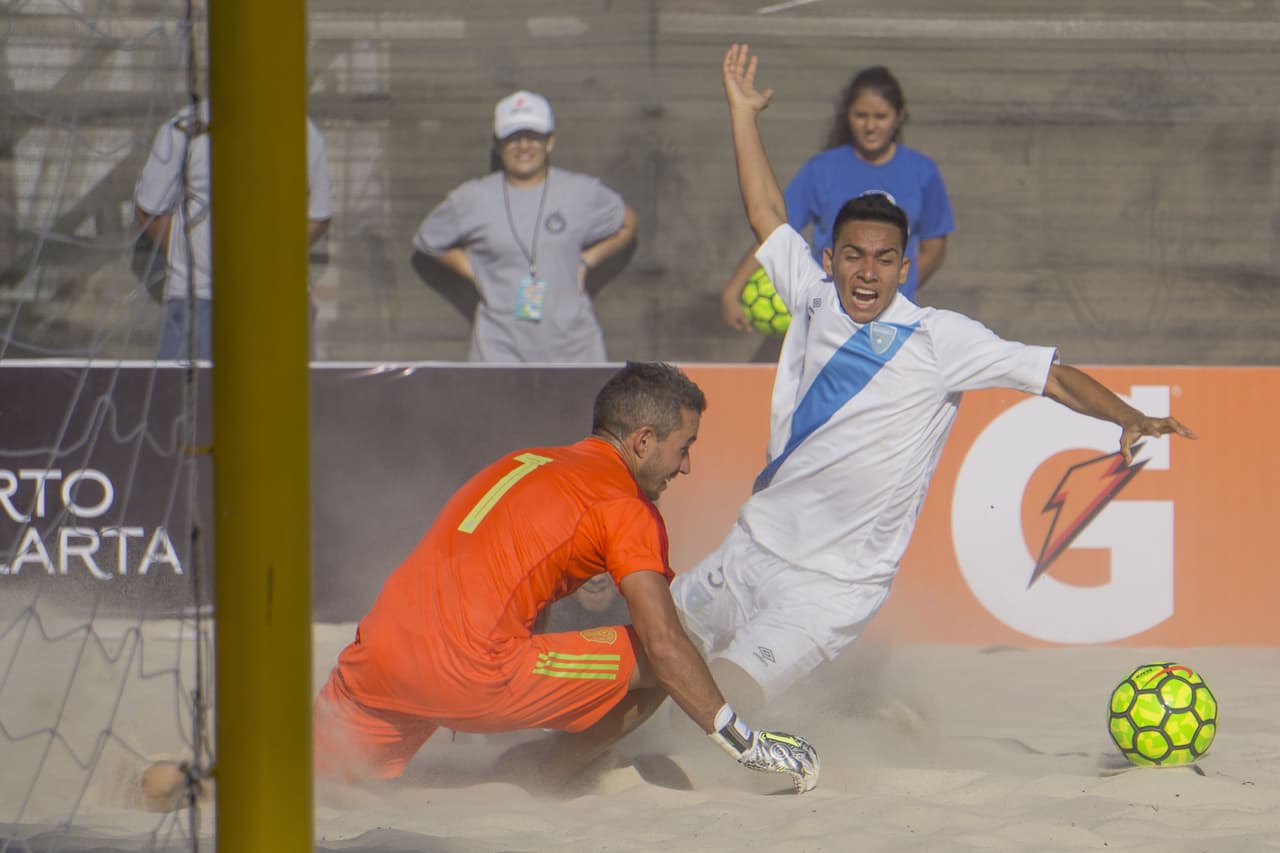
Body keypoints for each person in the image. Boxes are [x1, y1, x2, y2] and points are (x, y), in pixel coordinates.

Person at [672, 45, 1198, 717]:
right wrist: (742, 114)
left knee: (722, 698)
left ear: (905, 264)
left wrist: (1127, 416)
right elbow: (767, 212)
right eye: (855, 257)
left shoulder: (942, 339)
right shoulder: (810, 293)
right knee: (653, 648)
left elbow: (1053, 378)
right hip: (748, 547)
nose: (868, 273)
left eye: (885, 259)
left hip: (832, 587)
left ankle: (838, 717)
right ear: (829, 257)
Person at [312, 362, 819, 793]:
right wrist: (745, 744)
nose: (685, 467)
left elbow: (512, 576)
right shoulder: (624, 504)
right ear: (643, 441)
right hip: (468, 673)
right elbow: (664, 644)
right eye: (683, 447)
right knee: (670, 652)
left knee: (317, 779)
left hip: (376, 656)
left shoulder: (526, 461)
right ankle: (538, 775)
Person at [720, 63, 953, 337]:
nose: (870, 126)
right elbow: (774, 226)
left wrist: (890, 287)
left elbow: (934, 247)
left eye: (880, 116)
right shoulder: (822, 169)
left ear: (899, 116)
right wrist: (734, 289)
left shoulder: (922, 171)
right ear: (847, 116)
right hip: (832, 321)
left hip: (893, 327)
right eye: (860, 115)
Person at [412, 90, 638, 363]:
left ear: (550, 142)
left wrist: (588, 261)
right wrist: (476, 271)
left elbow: (627, 222)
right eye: (512, 137)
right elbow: (427, 240)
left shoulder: (581, 192)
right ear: (498, 144)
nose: (523, 146)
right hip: (500, 351)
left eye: (533, 136)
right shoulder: (471, 198)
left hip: (574, 351)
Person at [134, 100, 333, 360]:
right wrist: (195, 259)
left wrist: (273, 259)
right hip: (197, 300)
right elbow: (148, 209)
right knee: (188, 400)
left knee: (275, 400)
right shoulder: (184, 128)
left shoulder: (301, 130)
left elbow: (319, 214)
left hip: (278, 305)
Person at [537, 573, 631, 635]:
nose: (596, 579)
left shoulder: (637, 612)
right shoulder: (545, 617)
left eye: (606, 564)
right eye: (585, 566)